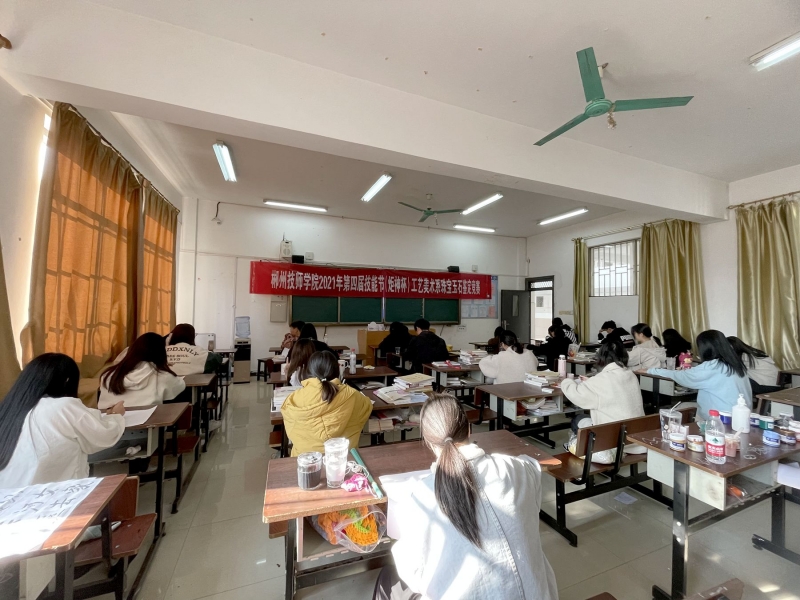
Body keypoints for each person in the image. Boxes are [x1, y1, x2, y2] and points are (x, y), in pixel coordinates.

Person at [376, 393, 557, 600]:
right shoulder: (515, 469)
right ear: (469, 429)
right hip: (538, 594)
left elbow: (414, 577)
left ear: (428, 441)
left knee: (388, 578)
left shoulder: (421, 497)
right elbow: (531, 467)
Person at [0, 354, 126, 488]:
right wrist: (115, 416)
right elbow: (104, 435)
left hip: (10, 497)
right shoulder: (63, 407)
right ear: (67, 381)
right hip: (54, 495)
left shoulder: (8, 411)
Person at [559, 339, 646, 463]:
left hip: (613, 439)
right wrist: (591, 382)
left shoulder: (600, 380)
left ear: (601, 358)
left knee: (576, 420)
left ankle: (577, 445)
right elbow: (612, 388)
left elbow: (575, 394)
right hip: (635, 438)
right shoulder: (631, 375)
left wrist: (567, 381)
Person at [280, 351, 372, 456]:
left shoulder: (293, 399)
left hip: (304, 462)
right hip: (345, 460)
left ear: (308, 372)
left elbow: (290, 428)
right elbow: (367, 407)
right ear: (338, 370)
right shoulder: (352, 395)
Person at [646, 330, 752, 419]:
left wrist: (651, 370)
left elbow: (683, 376)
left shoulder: (712, 367)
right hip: (742, 416)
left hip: (721, 419)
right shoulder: (735, 364)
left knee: (677, 409)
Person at [99, 332, 186, 409]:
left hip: (110, 420)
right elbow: (180, 386)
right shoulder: (162, 376)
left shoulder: (108, 375)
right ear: (161, 353)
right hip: (149, 421)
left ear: (132, 349)